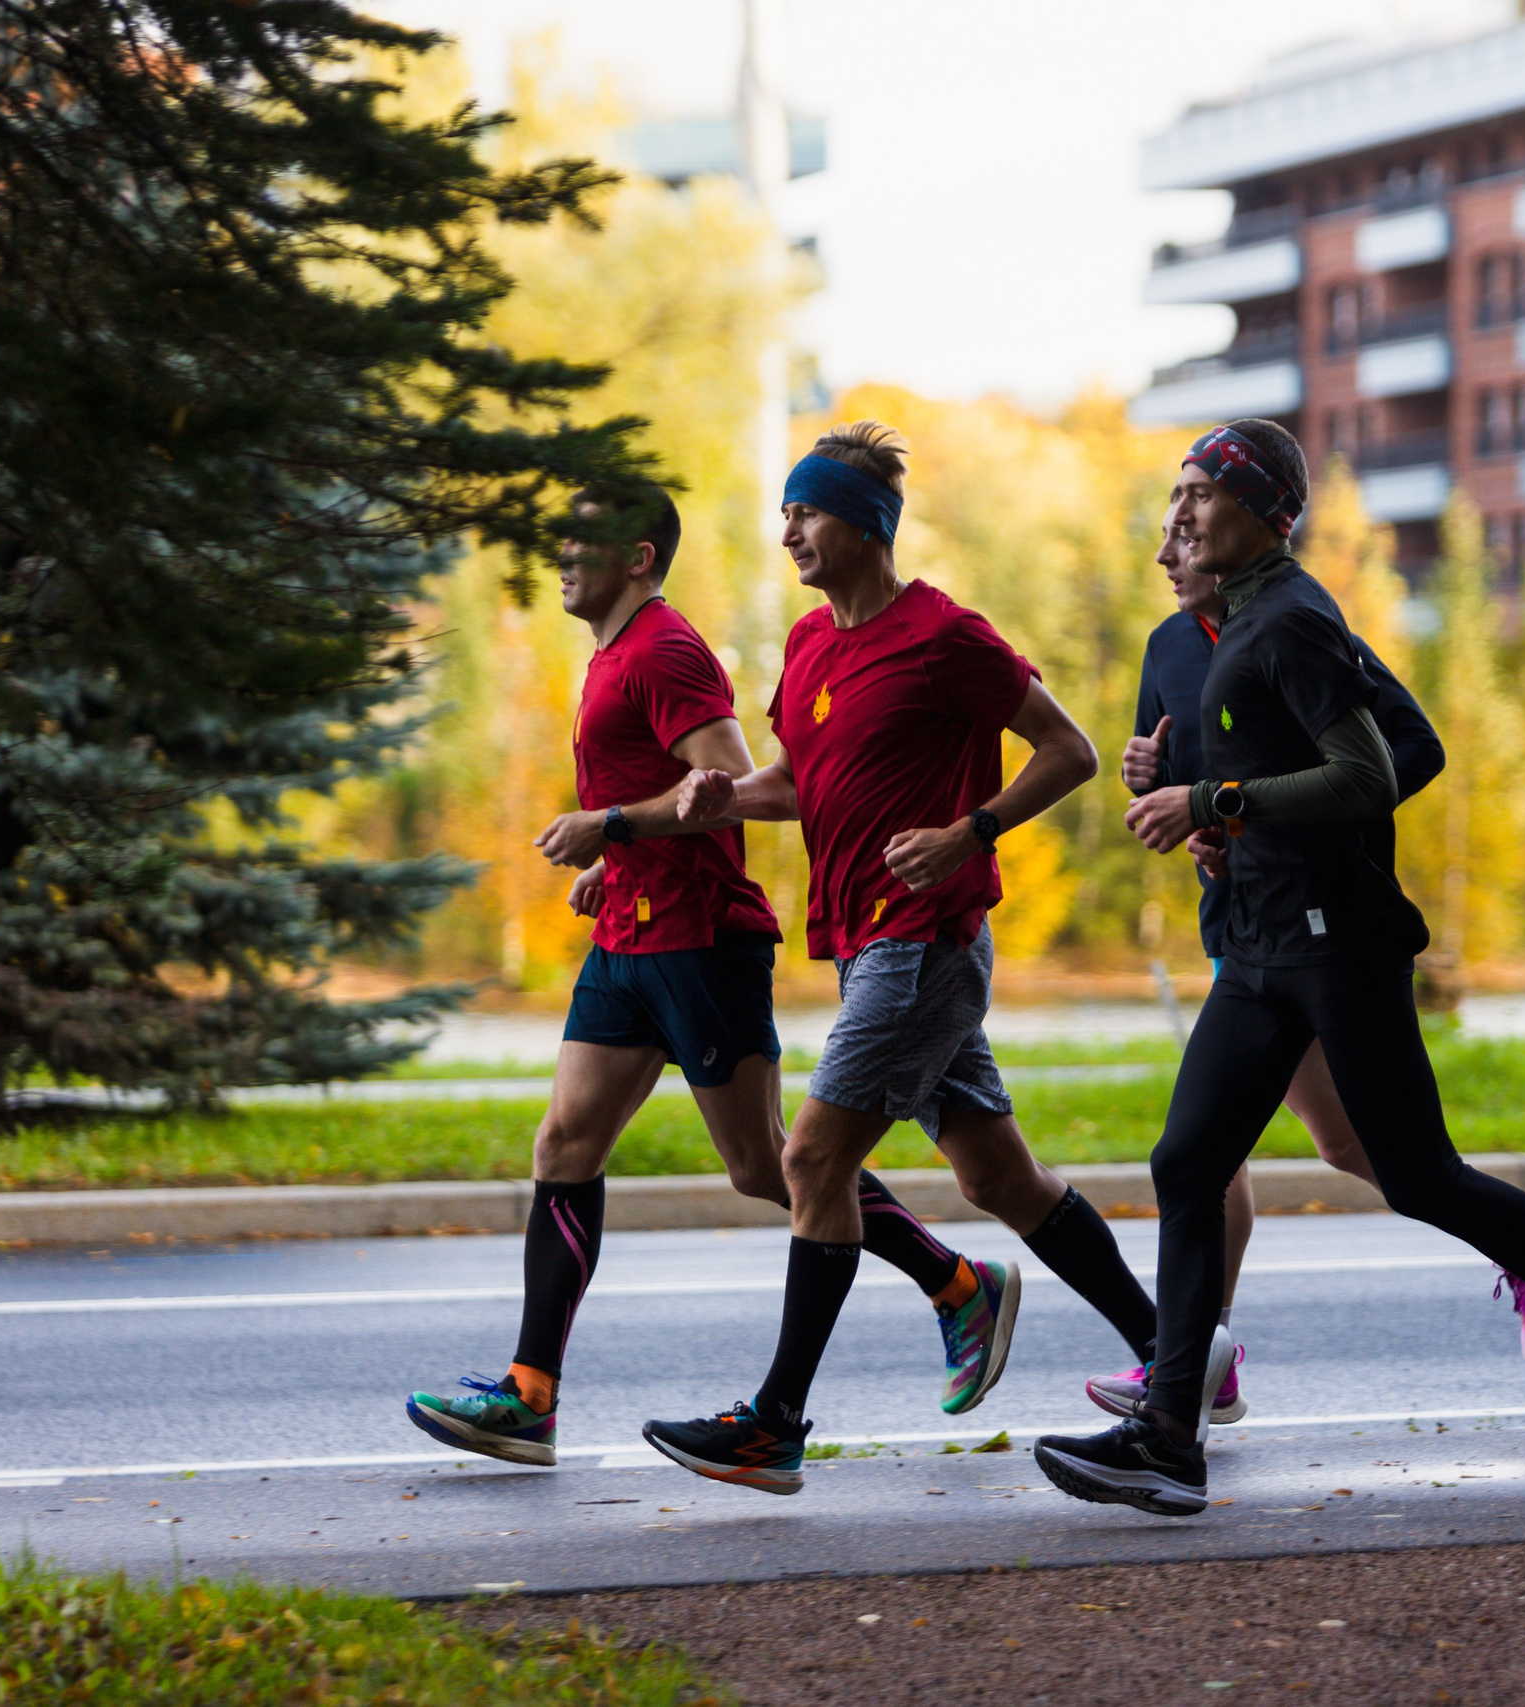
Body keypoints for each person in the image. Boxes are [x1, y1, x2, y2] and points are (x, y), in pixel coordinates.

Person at [1033, 419, 1525, 1517]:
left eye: (1200, 494)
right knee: (1187, 1163)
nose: (1181, 517)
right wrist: (1188, 794)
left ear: (1264, 513)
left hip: (1337, 946)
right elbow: (1241, 767)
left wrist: (1212, 802)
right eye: (1176, 497)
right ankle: (1168, 1435)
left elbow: (1367, 772)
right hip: (1254, 945)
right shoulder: (1212, 633)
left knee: (1419, 1172)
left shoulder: (1293, 620)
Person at [405, 479, 994, 1466]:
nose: (560, 556)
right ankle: (530, 1394)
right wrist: (612, 858)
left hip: (698, 940)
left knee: (766, 1165)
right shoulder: (610, 655)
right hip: (630, 936)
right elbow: (665, 799)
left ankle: (957, 1284)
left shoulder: (666, 650)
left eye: (581, 541)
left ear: (638, 555)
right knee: (564, 1143)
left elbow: (724, 787)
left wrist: (618, 830)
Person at [638, 421, 1164, 1494]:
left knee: (809, 1161)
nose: (789, 530)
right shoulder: (807, 644)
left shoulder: (944, 636)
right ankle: (1180, 1359)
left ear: (866, 524)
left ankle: (773, 1425)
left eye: (807, 510)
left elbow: (1065, 751)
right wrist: (713, 800)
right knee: (995, 1176)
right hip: (863, 945)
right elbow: (795, 784)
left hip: (921, 944)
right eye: (785, 511)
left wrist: (970, 830)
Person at [1082, 514, 1470, 1427]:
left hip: (1320, 923)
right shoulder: (1168, 646)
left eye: (1184, 534)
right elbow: (1182, 784)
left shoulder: (1299, 628)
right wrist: (1151, 777)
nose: (1166, 555)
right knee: (1205, 1159)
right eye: (1164, 536)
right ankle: (1194, 1374)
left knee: (1335, 1151)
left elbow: (1404, 754)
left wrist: (1265, 819)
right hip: (1239, 924)